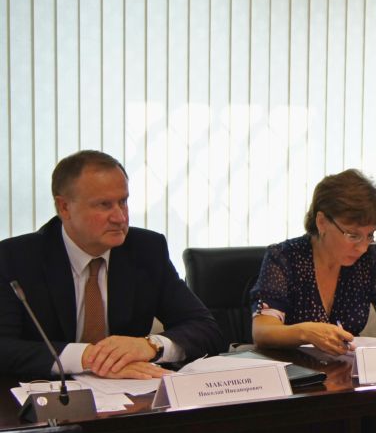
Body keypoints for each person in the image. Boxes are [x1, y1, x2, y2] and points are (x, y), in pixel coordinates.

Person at [0, 150, 225, 380]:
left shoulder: (146, 250)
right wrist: (87, 356)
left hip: (129, 393)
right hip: (44, 394)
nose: (120, 217)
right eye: (104, 205)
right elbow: (4, 347)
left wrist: (151, 346)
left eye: (123, 201)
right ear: (64, 207)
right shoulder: (15, 258)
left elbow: (206, 329)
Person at [250, 169, 376, 355]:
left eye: (370, 235)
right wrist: (305, 333)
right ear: (322, 222)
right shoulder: (284, 257)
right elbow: (263, 331)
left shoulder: (368, 258)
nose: (362, 247)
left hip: (344, 371)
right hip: (294, 374)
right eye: (353, 235)